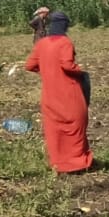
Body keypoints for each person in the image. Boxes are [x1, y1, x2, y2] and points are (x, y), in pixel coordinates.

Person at [24, 11, 93, 172]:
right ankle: (77, 162)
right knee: (76, 125)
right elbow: (67, 65)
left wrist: (48, 71)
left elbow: (29, 65)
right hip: (69, 92)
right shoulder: (65, 42)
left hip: (50, 94)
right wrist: (80, 71)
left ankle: (59, 163)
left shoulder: (42, 44)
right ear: (65, 25)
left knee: (55, 129)